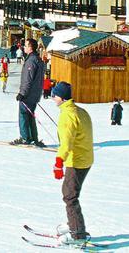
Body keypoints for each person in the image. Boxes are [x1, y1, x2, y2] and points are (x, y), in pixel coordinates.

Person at [50, 82, 93, 247]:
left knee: (69, 195)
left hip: (77, 161)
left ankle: (77, 233)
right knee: (70, 192)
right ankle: (73, 223)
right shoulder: (79, 111)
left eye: (55, 95)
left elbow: (66, 143)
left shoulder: (67, 115)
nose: (53, 98)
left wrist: (59, 162)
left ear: (62, 97)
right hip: (85, 158)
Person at [12, 38, 45, 147]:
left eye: (26, 46)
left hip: (29, 94)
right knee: (30, 115)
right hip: (35, 93)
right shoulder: (38, 59)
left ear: (30, 47)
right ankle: (33, 138)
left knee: (23, 114)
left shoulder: (31, 61)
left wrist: (23, 93)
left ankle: (25, 137)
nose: (24, 47)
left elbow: (28, 79)